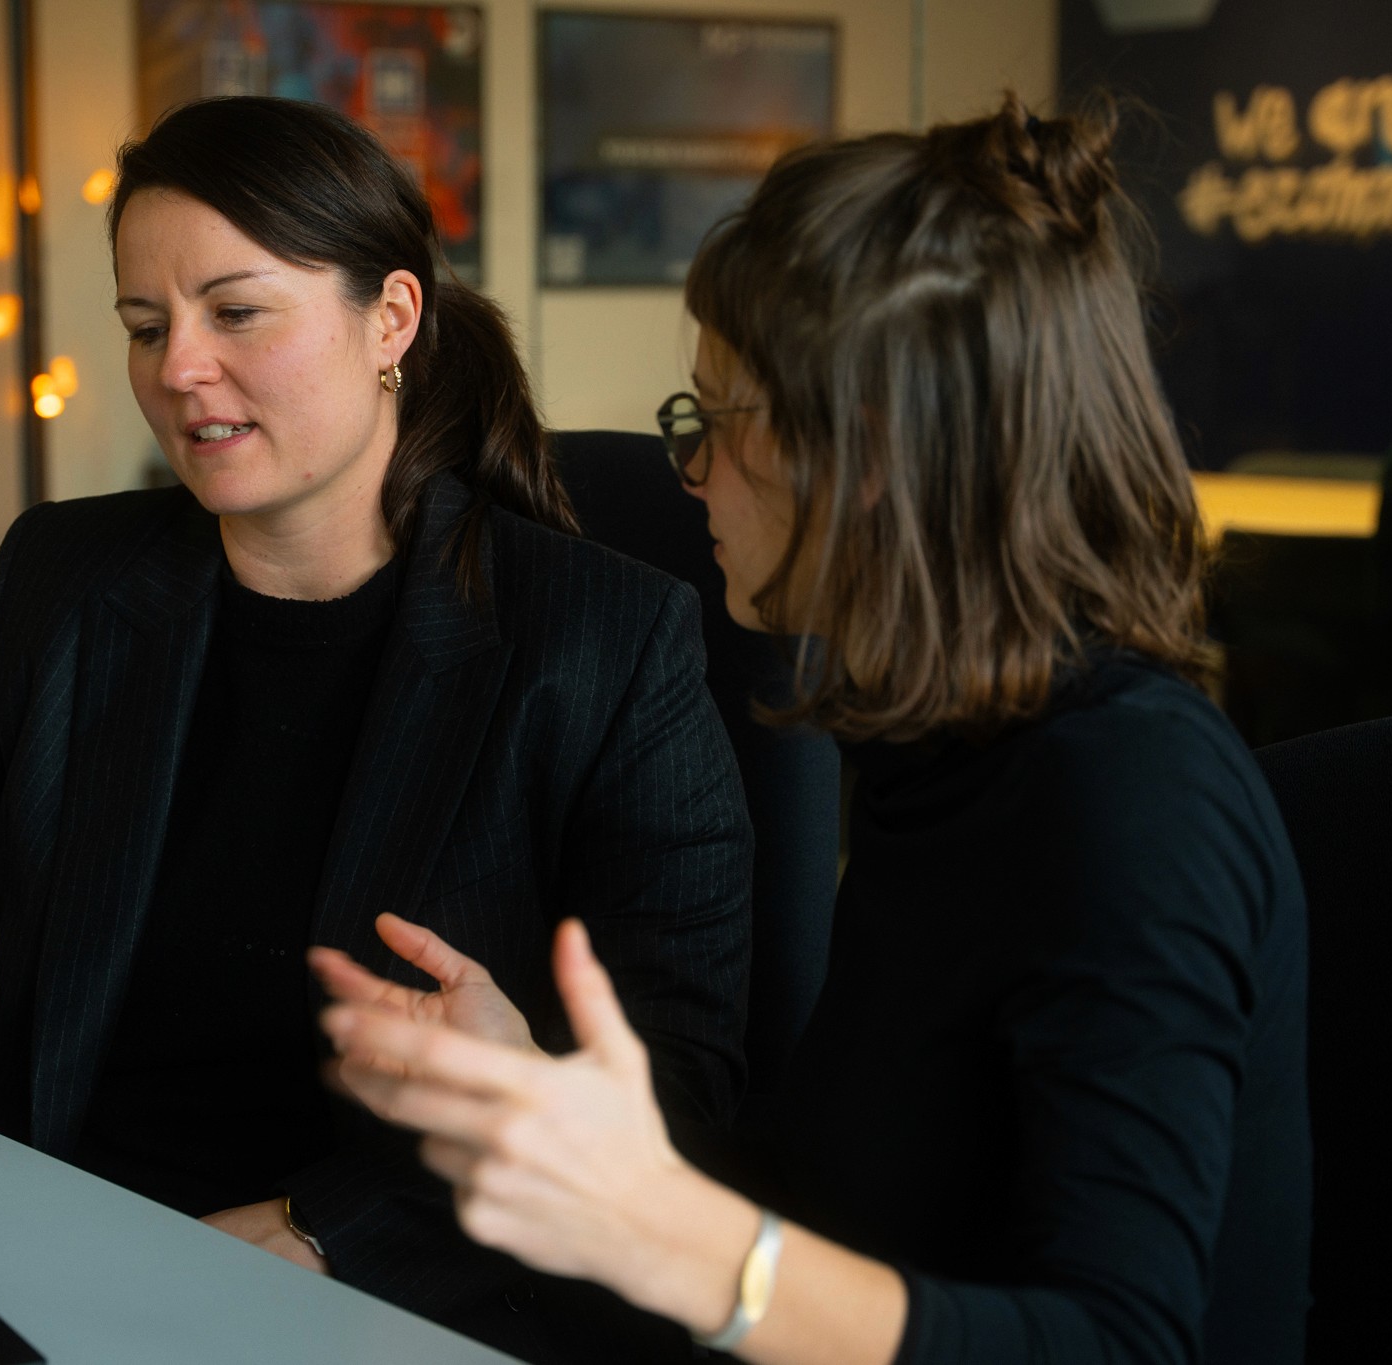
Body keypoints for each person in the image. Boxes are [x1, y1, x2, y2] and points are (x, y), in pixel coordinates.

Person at [0, 96, 753, 1361]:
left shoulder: (598, 638)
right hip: (55, 1212)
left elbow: (683, 1069)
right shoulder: (63, 578)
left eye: (236, 312)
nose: (178, 370)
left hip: (389, 1275)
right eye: (145, 325)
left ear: (389, 319)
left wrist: (323, 1227)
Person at [317, 97, 1311, 1365]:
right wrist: (549, 1102)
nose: (689, 477)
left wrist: (667, 1232)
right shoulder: (932, 752)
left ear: (875, 456)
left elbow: (1117, 1341)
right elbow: (848, 1214)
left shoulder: (1130, 799)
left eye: (716, 423)